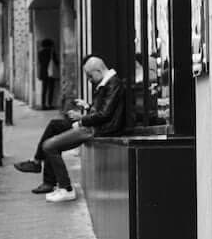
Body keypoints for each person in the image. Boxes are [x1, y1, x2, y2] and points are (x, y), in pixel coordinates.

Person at [17, 54, 128, 202]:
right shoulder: (107, 83)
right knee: (53, 129)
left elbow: (105, 115)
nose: (89, 80)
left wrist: (82, 120)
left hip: (96, 129)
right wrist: (87, 107)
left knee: (49, 145)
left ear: (98, 71)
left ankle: (65, 188)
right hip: (94, 127)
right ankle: (46, 175)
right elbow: (104, 111)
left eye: (89, 76)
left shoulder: (113, 84)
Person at [36, 38, 58, 110]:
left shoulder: (40, 52)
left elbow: (40, 62)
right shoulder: (51, 52)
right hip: (51, 72)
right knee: (51, 89)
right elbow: (56, 61)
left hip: (43, 73)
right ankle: (50, 104)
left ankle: (43, 104)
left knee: (44, 89)